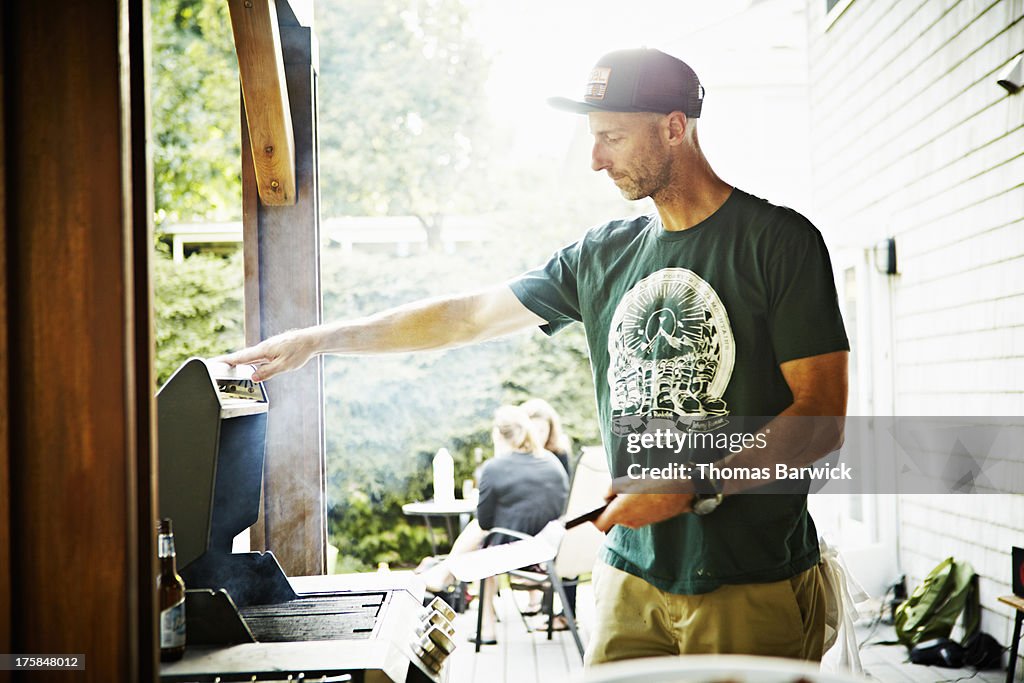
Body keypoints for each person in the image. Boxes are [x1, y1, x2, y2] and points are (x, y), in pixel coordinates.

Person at [220, 47, 849, 665]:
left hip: (751, 578)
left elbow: (821, 418)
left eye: (611, 137)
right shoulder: (603, 255)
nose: (596, 161)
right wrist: (318, 339)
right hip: (629, 576)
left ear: (674, 128)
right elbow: (466, 316)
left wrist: (694, 485)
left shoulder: (780, 243)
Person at [417, 405, 568, 644]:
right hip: (553, 551)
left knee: (483, 537)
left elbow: (485, 521)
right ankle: (444, 573)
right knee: (486, 535)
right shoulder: (552, 462)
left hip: (519, 554)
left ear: (497, 434)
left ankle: (483, 625)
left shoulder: (495, 467)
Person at [521, 397, 573, 476]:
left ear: (550, 432)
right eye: (533, 431)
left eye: (542, 431)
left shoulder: (559, 454)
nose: (537, 436)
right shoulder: (517, 455)